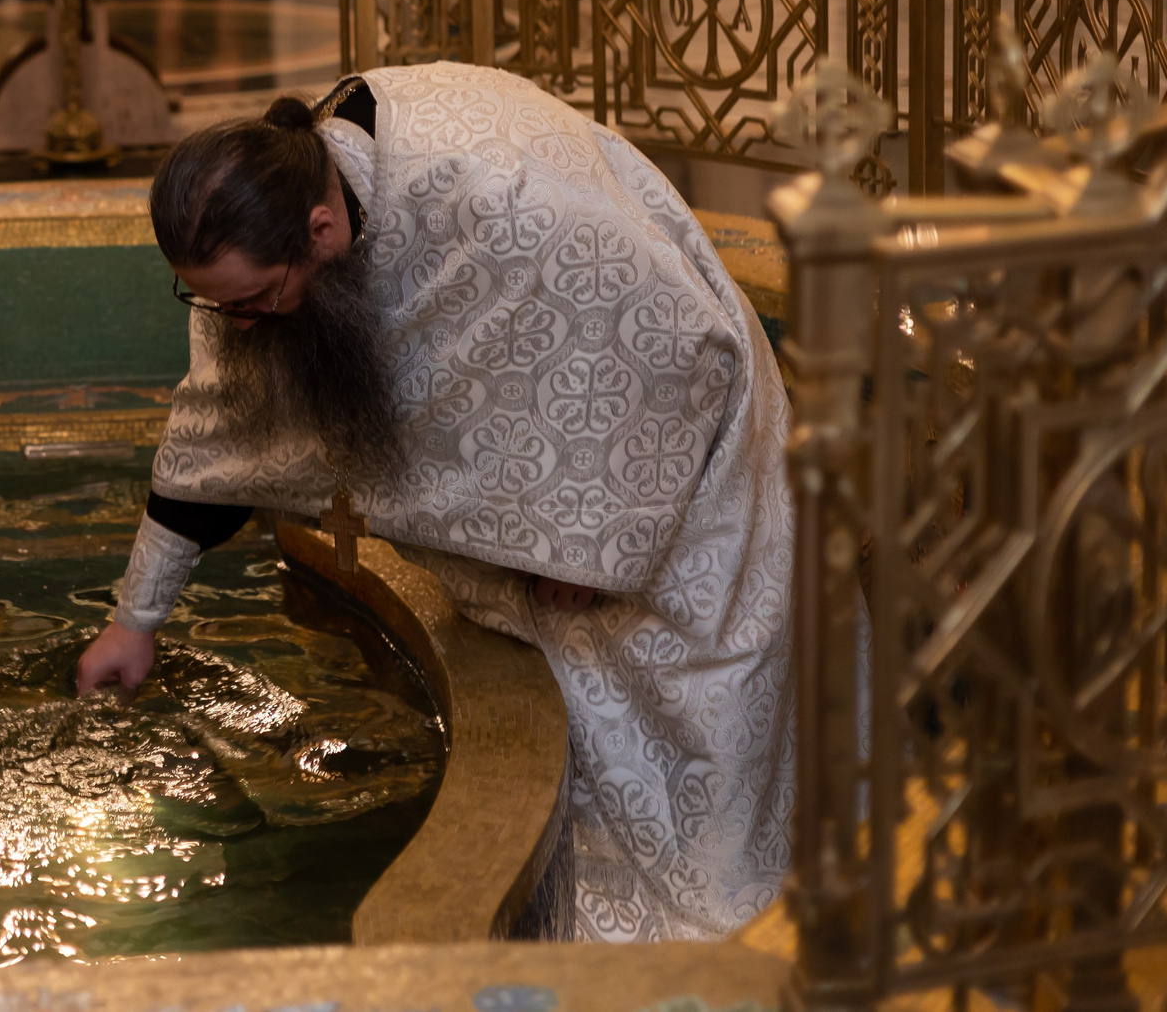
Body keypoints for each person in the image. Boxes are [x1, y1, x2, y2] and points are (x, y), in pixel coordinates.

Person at [74, 67, 794, 943]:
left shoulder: (503, 202)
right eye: (220, 304)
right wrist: (134, 619)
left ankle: (725, 955)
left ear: (322, 230)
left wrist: (589, 542)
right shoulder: (259, 251)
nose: (242, 325)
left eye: (256, 300)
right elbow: (219, 439)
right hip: (565, 517)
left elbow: (678, 345)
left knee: (693, 740)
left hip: (675, 479)